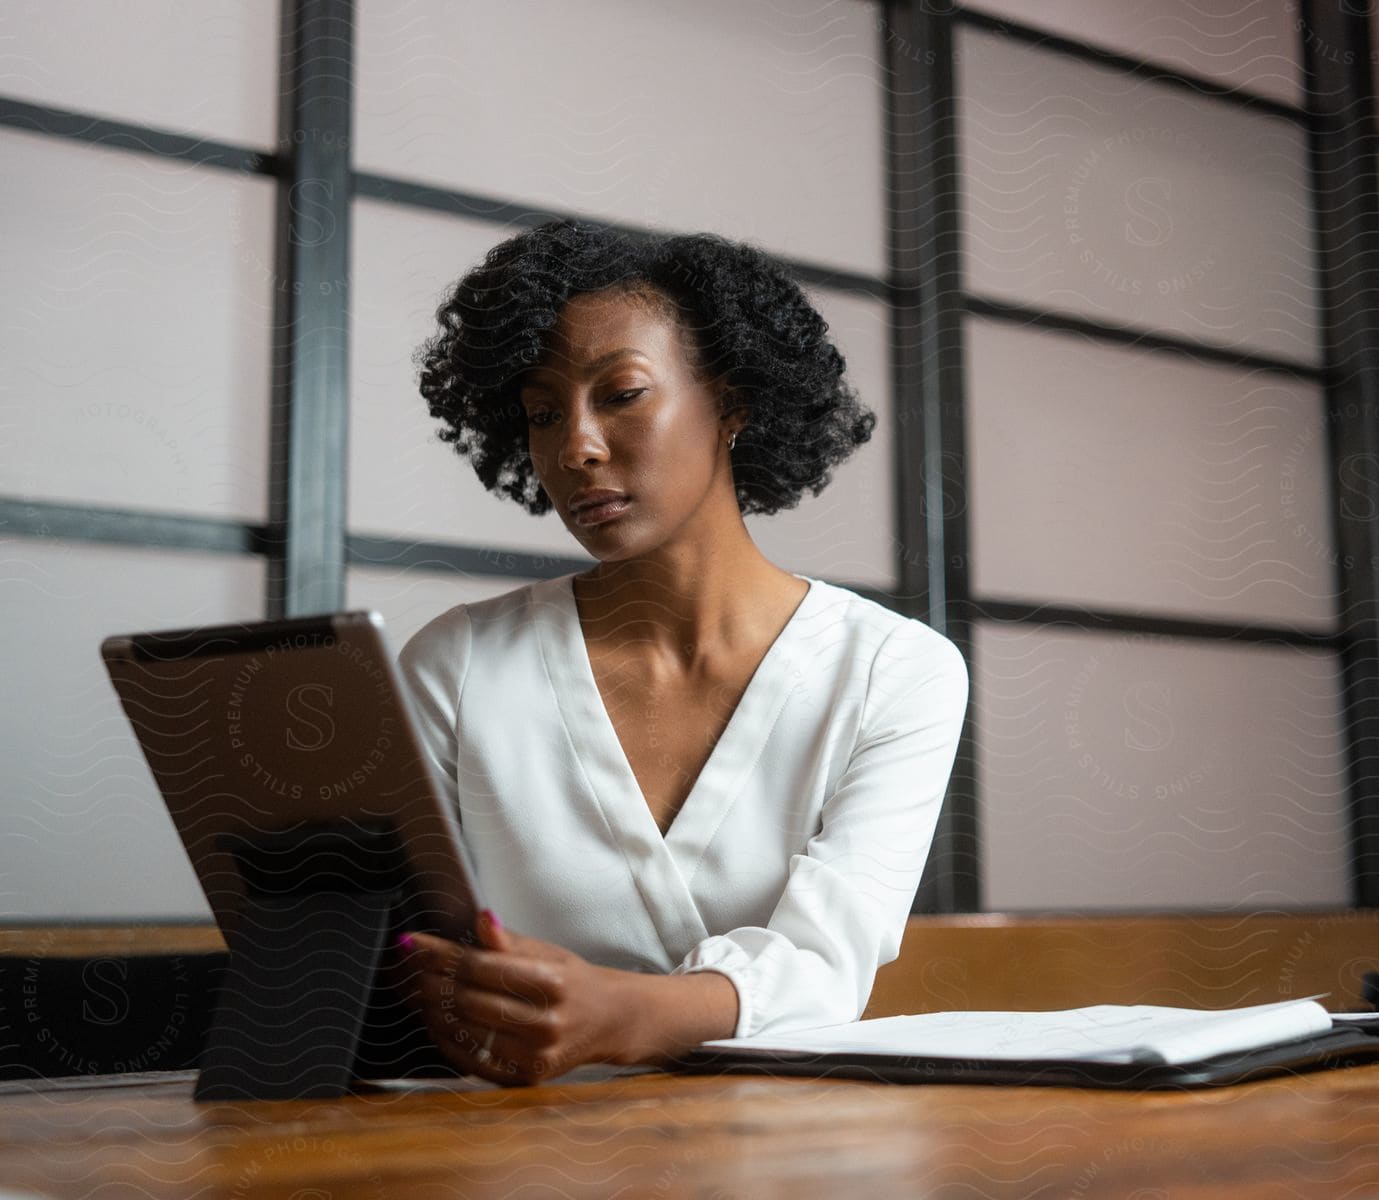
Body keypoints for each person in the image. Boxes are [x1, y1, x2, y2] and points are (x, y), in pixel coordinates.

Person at [393, 217, 970, 1086]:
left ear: (732, 402)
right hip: (514, 1157)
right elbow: (411, 959)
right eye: (543, 414)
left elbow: (826, 963)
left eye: (620, 394)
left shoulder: (893, 673)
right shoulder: (460, 666)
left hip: (785, 1161)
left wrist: (620, 1014)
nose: (574, 447)